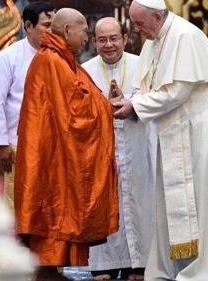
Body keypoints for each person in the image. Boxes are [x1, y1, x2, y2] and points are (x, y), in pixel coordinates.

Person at [112, 0, 208, 280]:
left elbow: (177, 91)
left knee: (204, 198)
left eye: (139, 23)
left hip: (201, 129)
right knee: (167, 198)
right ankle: (170, 265)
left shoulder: (185, 36)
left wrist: (135, 106)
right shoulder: (153, 40)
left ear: (157, 17)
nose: (136, 30)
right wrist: (129, 100)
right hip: (173, 128)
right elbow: (145, 85)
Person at [14, 8, 119, 280]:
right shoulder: (51, 61)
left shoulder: (60, 59)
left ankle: (52, 267)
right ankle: (46, 269)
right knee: (50, 206)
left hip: (54, 149)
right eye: (84, 31)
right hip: (50, 153)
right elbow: (76, 112)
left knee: (55, 205)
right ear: (68, 31)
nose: (86, 38)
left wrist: (103, 103)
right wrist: (105, 108)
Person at [80, 17, 156, 280]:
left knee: (140, 202)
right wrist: (105, 107)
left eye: (114, 38)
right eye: (102, 40)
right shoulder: (84, 70)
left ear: (125, 39)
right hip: (101, 149)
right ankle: (104, 265)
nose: (108, 45)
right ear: (93, 42)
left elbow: (154, 99)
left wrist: (131, 104)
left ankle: (139, 264)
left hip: (137, 144)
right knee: (105, 202)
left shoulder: (143, 66)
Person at [0, 1, 55, 212]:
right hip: (17, 145)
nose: (52, 30)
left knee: (48, 205)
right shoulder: (8, 57)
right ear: (28, 26)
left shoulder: (59, 56)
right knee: (19, 204)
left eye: (55, 24)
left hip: (53, 144)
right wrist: (1, 144)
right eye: (46, 25)